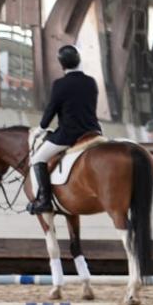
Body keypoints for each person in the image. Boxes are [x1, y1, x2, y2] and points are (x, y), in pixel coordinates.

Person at [28, 45, 103, 214]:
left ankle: (45, 201)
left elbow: (51, 109)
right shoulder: (90, 82)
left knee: (38, 158)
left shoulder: (60, 84)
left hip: (69, 135)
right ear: (79, 61)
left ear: (62, 65)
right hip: (93, 132)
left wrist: (41, 128)